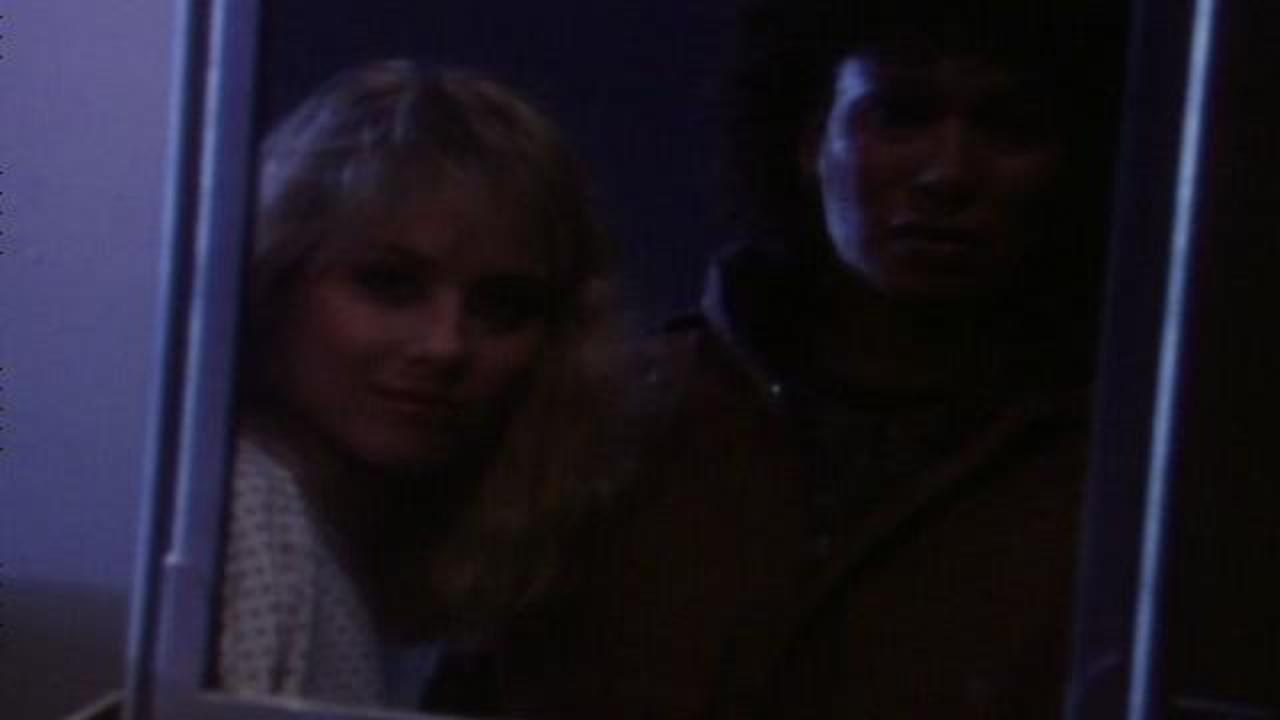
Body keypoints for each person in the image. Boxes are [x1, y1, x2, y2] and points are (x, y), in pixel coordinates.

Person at [507, 1, 1131, 718]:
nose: (948, 173)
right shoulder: (621, 415)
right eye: (898, 116)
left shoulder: (1122, 474)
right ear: (811, 139)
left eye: (1008, 128)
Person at [216, 60, 619, 710]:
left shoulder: (377, 554)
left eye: (502, 306)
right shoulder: (246, 511)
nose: (446, 345)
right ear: (275, 282)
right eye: (389, 284)